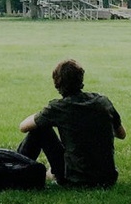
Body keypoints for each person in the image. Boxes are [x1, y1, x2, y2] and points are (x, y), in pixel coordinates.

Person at [17, 59, 125, 188]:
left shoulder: (59, 108)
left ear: (57, 82)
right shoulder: (103, 102)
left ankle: (16, 171)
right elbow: (121, 134)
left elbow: (23, 127)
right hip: (107, 178)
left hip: (76, 180)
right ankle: (47, 172)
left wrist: (43, 114)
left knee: (39, 129)